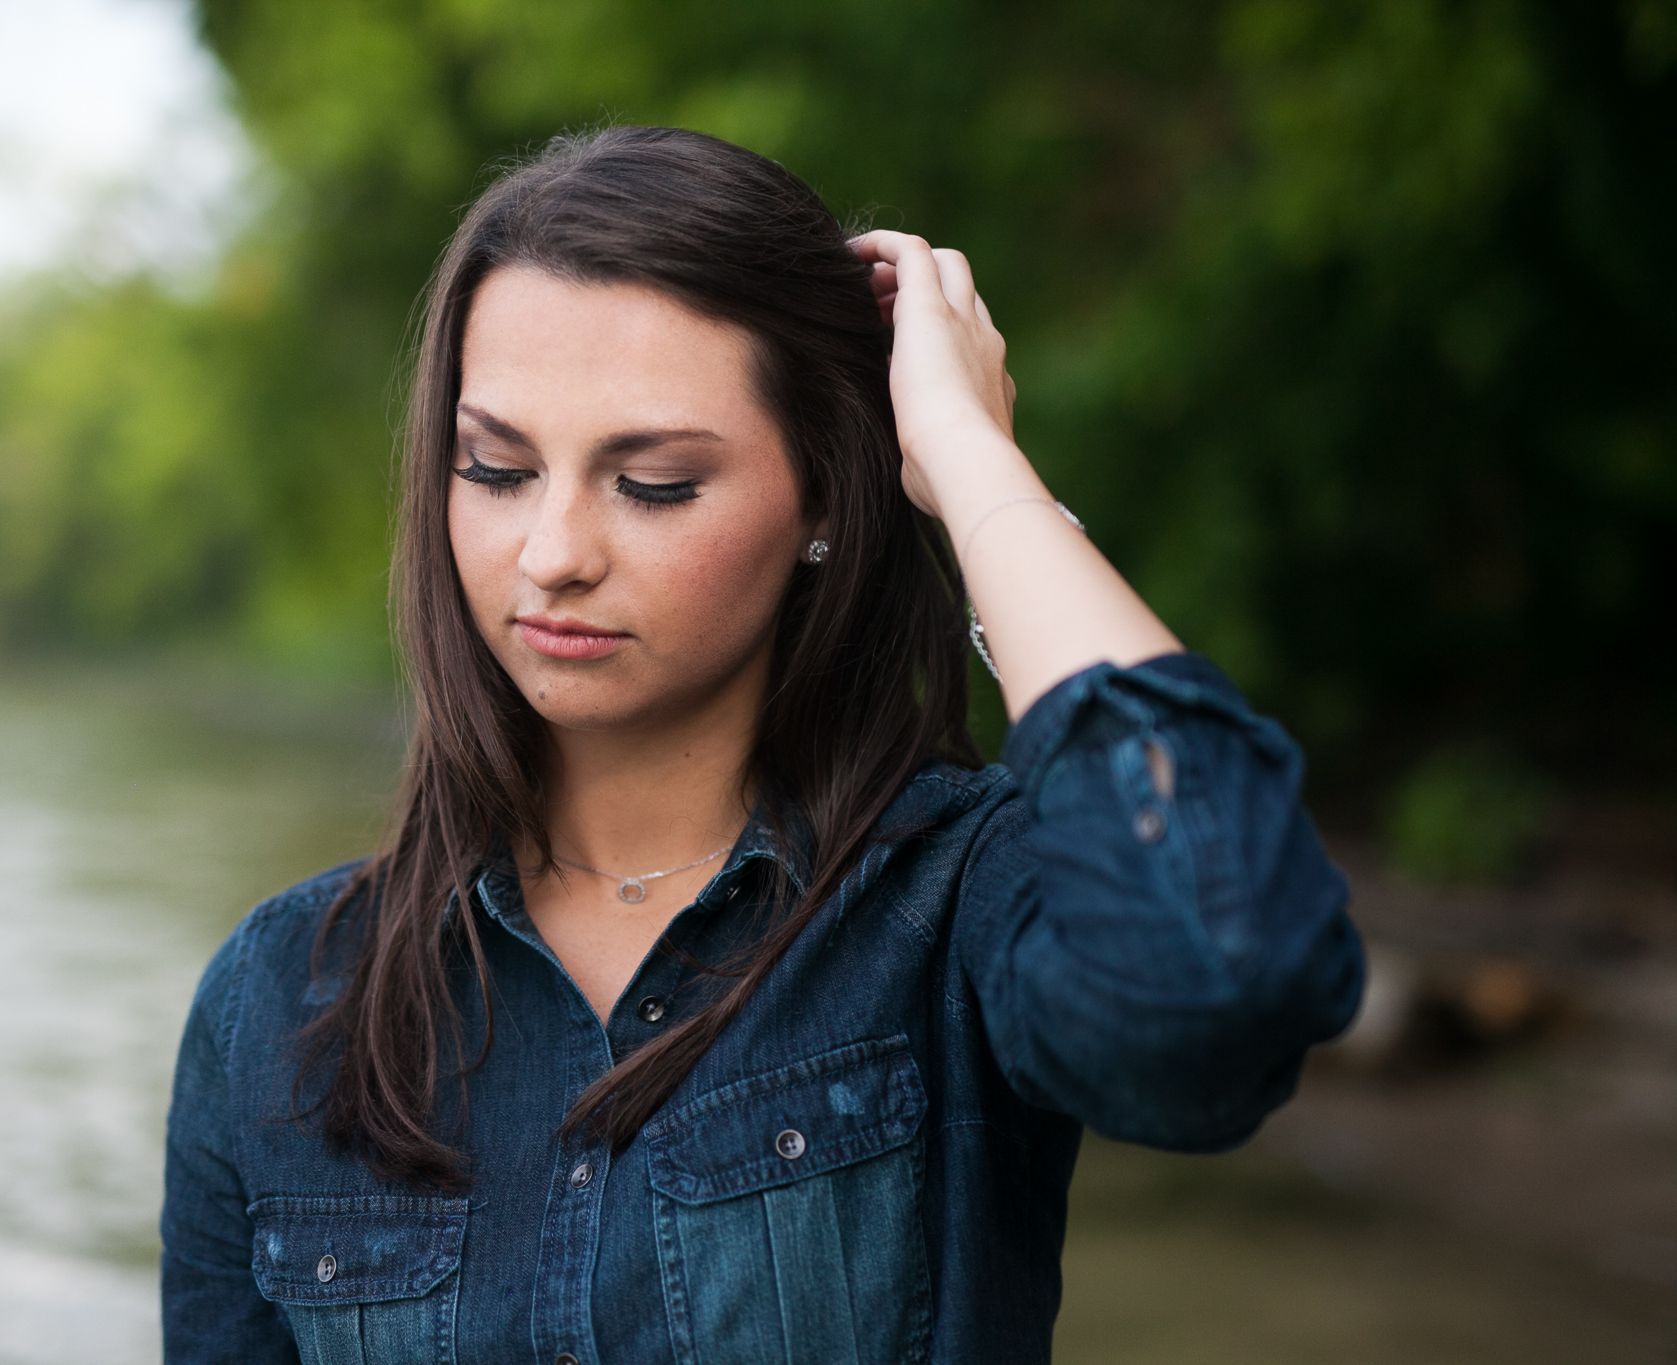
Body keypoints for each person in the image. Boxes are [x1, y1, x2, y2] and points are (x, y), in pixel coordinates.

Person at [161, 125, 1363, 1365]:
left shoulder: (949, 911)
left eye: (656, 484)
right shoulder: (277, 1000)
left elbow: (1219, 981)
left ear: (823, 500)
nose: (552, 553)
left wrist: (965, 457)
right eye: (497, 468)